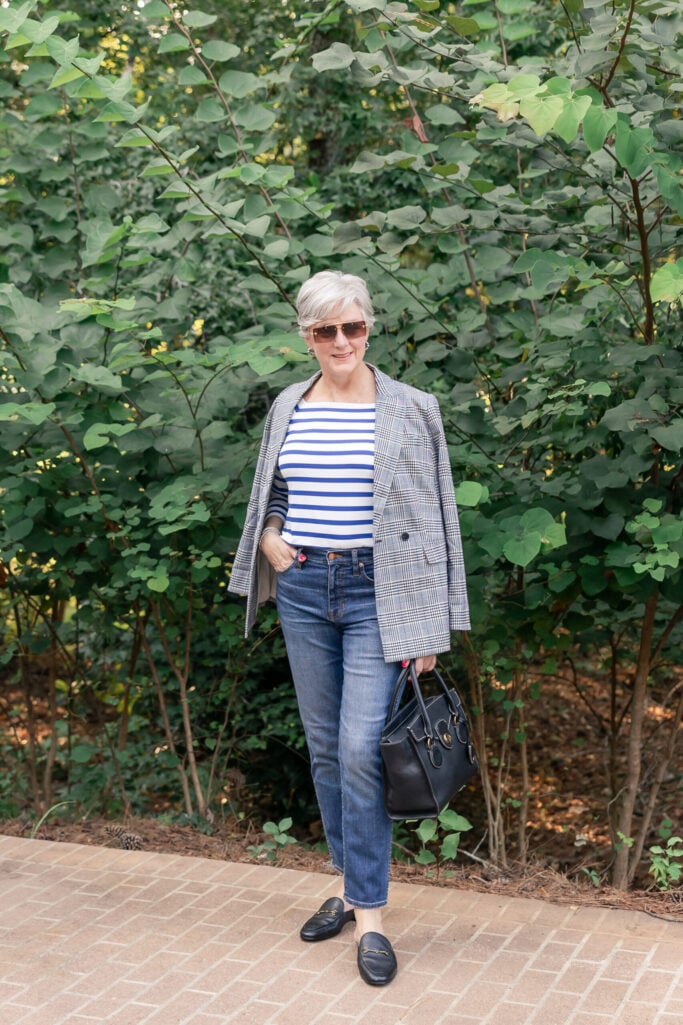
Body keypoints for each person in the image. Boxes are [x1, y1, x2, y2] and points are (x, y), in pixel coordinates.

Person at [228, 270, 470, 986]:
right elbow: (274, 489)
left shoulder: (412, 408)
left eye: (353, 326)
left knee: (363, 749)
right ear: (306, 335)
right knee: (328, 750)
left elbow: (438, 517)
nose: (341, 341)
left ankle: (370, 916)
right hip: (304, 586)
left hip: (380, 594)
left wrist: (430, 627)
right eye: (325, 329)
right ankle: (346, 881)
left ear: (369, 328)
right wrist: (269, 534)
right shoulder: (288, 404)